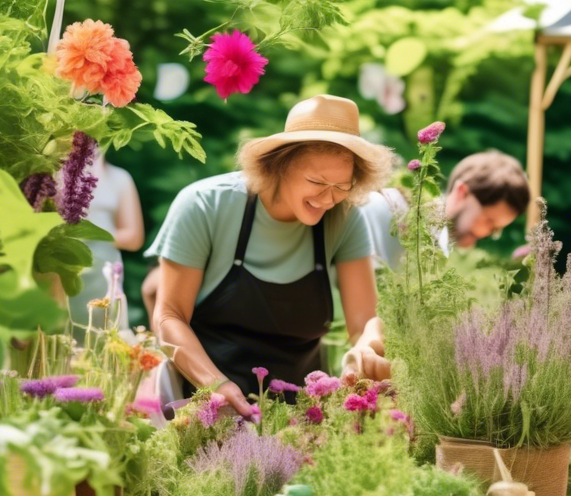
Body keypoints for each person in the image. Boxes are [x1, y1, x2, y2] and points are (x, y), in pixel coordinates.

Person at [146, 95, 394, 415]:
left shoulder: (345, 219)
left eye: (342, 186)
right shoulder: (204, 205)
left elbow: (363, 321)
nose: (328, 198)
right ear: (278, 165)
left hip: (302, 415)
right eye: (316, 182)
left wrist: (368, 345)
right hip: (204, 407)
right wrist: (215, 386)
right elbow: (169, 316)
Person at [360, 150, 530, 269]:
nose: (485, 232)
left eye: (496, 230)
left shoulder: (446, 254)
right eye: (488, 221)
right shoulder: (392, 209)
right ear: (462, 192)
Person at [68, 152, 144, 341]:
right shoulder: (54, 175)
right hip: (64, 267)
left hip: (104, 271)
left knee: (103, 333)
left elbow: (134, 237)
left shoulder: (119, 178)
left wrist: (90, 234)